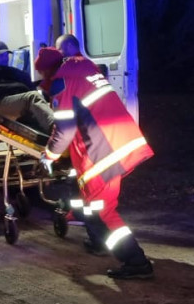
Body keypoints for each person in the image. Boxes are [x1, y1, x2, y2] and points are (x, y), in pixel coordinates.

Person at [41, 34, 155, 280]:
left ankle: (136, 261)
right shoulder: (87, 66)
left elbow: (65, 129)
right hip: (120, 140)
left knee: (104, 211)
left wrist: (49, 155)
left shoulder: (62, 81)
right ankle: (98, 241)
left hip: (102, 151)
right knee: (94, 204)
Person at [0, 40, 54, 133]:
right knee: (33, 97)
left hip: (20, 102)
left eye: (6, 54)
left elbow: (31, 87)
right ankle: (55, 127)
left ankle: (56, 131)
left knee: (39, 100)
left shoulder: (15, 71)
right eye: (1, 55)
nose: (5, 58)